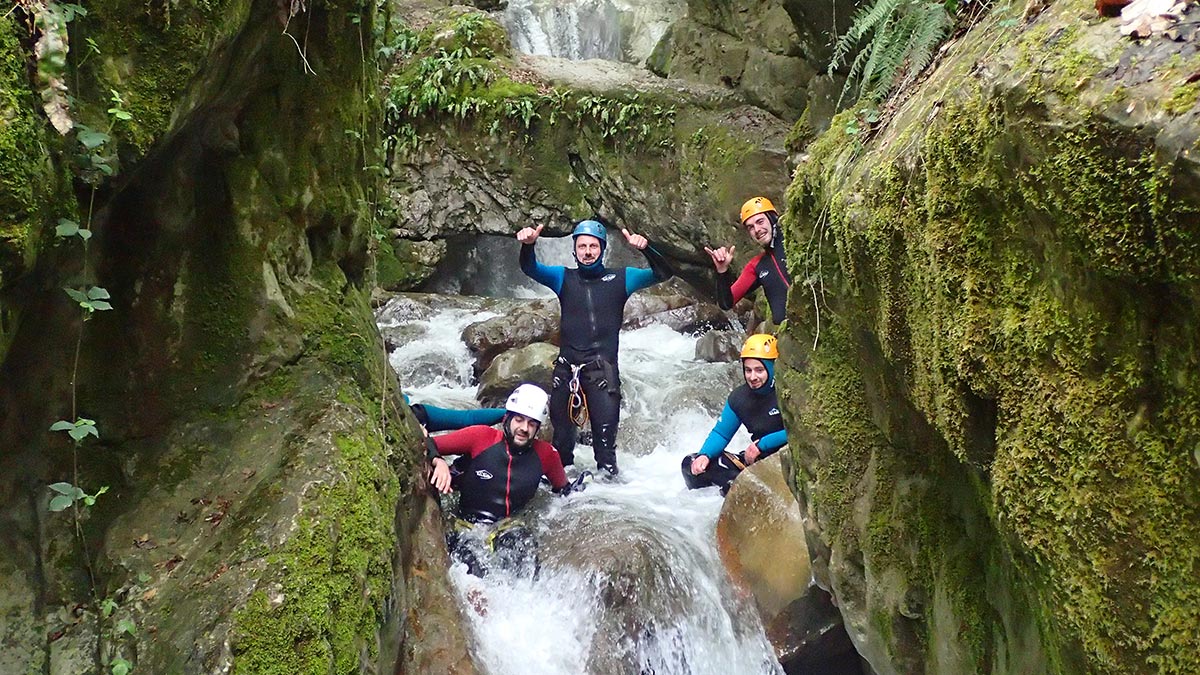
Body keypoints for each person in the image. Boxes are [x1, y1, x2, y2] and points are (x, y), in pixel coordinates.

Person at [515, 219, 673, 477]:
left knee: (605, 451)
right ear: (574, 251)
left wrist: (646, 249)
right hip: (567, 372)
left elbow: (664, 273)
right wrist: (528, 246)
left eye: (593, 246)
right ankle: (562, 494)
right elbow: (530, 268)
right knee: (562, 445)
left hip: (602, 373)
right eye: (582, 246)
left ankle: (606, 495)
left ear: (603, 249)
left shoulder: (622, 278)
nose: (587, 252)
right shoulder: (562, 278)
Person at [426, 384, 583, 576]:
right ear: (507, 418)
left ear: (538, 428)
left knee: (525, 564)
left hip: (509, 525)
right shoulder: (480, 437)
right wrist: (438, 462)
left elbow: (563, 489)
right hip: (468, 525)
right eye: (519, 420)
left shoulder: (547, 455)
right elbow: (429, 443)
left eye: (532, 423)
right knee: (472, 571)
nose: (524, 428)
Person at [681, 334, 787, 495]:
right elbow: (721, 433)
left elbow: (801, 433)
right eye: (748, 370)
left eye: (759, 370)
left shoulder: (787, 392)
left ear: (772, 368)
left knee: (735, 485)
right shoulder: (739, 398)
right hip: (756, 462)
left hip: (784, 461)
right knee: (690, 463)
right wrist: (705, 455)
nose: (753, 377)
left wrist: (762, 444)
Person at [705, 196, 791, 326]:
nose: (757, 230)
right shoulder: (757, 265)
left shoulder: (794, 239)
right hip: (791, 335)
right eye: (751, 227)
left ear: (772, 219)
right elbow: (726, 303)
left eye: (760, 221)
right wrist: (722, 271)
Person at [403, 393, 505, 432]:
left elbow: (469, 419)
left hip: (419, 414)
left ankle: (509, 413)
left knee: (466, 419)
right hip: (417, 414)